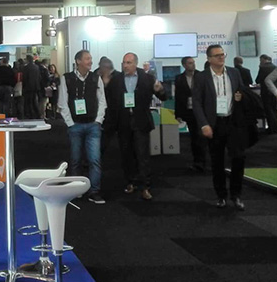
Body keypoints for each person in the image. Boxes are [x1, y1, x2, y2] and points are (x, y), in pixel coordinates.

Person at [191, 45, 247, 209]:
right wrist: (204, 124)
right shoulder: (201, 77)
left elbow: (242, 91)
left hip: (233, 122)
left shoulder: (234, 73)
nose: (221, 57)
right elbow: (196, 103)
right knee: (217, 161)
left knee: (239, 158)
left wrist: (240, 97)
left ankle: (236, 195)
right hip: (214, 123)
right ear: (209, 59)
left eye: (223, 54)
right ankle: (221, 195)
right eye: (217, 55)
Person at [109, 53, 167, 201]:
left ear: (136, 63)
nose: (125, 65)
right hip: (123, 122)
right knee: (126, 154)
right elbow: (110, 100)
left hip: (141, 121)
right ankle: (131, 182)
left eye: (128, 63)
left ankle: (145, 186)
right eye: (124, 63)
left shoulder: (147, 78)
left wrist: (160, 90)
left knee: (143, 155)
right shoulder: (116, 79)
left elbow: (163, 96)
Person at [58, 50, 107, 204]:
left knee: (95, 160)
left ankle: (94, 191)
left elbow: (102, 101)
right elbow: (62, 102)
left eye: (90, 58)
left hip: (93, 125)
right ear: (78, 61)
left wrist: (98, 120)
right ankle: (76, 190)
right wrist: (70, 123)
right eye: (87, 59)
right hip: (76, 125)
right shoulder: (67, 78)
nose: (90, 61)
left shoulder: (96, 78)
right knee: (75, 160)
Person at [175, 56, 206, 172]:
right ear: (184, 65)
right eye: (189, 63)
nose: (192, 64)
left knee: (201, 136)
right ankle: (197, 161)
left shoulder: (201, 76)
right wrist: (178, 114)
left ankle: (203, 160)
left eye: (193, 62)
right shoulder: (179, 78)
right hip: (188, 111)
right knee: (194, 137)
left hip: (201, 110)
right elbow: (178, 97)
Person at [255, 54, 277, 134]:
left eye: (260, 60)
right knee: (274, 109)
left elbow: (257, 80)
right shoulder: (275, 67)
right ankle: (275, 127)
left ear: (263, 59)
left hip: (266, 92)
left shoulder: (262, 68)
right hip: (275, 92)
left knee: (268, 110)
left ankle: (272, 127)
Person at [22, 55, 41, 119]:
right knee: (34, 101)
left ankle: (30, 114)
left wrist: (23, 87)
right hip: (35, 86)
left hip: (28, 87)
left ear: (27, 60)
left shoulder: (26, 68)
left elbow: (25, 78)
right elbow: (39, 77)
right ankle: (37, 114)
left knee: (28, 102)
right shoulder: (36, 67)